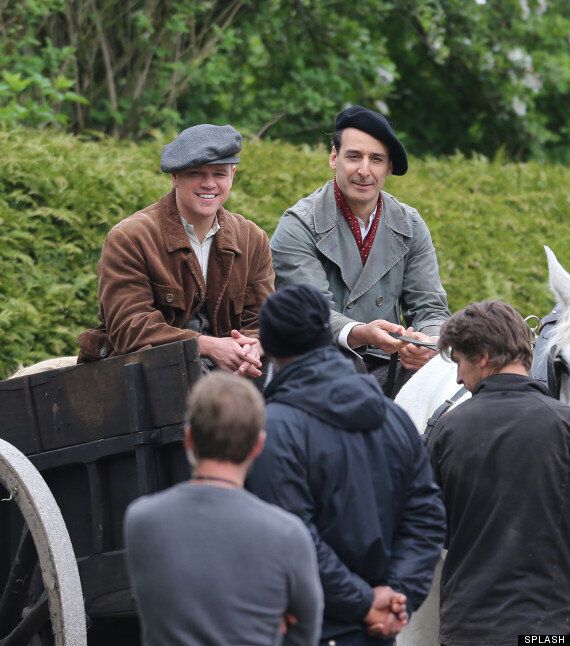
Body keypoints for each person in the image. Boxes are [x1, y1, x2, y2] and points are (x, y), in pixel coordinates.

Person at [246, 284, 446, 646]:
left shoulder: (271, 429)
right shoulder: (394, 418)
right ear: (325, 337)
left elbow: (292, 537)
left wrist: (365, 604)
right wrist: (398, 598)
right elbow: (426, 515)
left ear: (269, 346)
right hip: (381, 628)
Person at [124, 371, 323, 646]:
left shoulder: (140, 520)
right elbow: (305, 636)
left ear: (189, 438)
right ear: (258, 445)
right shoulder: (288, 533)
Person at [270, 106, 449, 393]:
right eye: (354, 156)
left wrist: (427, 343)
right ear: (333, 158)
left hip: (392, 367)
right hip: (319, 368)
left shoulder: (411, 224)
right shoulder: (298, 225)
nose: (364, 171)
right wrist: (360, 332)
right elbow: (310, 315)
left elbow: (430, 307)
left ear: (389, 167)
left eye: (376, 159)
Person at [78, 124, 274, 378]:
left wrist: (253, 347)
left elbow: (263, 319)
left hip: (232, 370)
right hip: (152, 373)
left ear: (232, 175)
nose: (209, 184)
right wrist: (209, 346)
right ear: (175, 177)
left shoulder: (252, 238)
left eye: (219, 174)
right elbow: (130, 328)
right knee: (185, 374)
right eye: (196, 173)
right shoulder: (130, 238)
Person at [427, 300, 570, 645]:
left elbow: (430, 527)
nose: (459, 377)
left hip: (469, 627)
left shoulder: (448, 429)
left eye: (459, 361)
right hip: (552, 630)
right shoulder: (565, 426)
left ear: (485, 356)